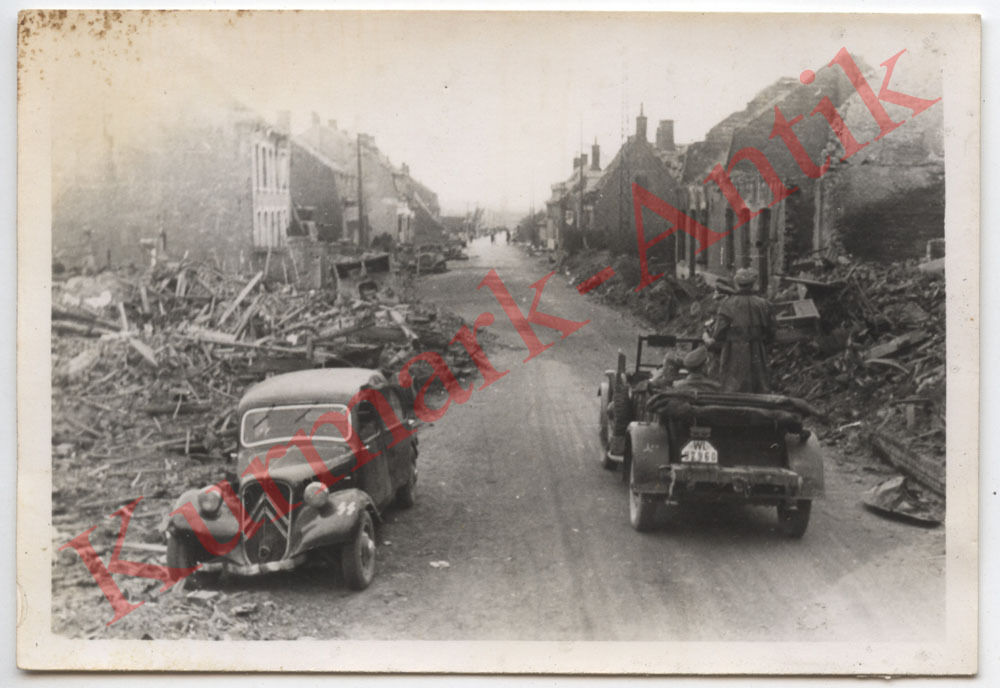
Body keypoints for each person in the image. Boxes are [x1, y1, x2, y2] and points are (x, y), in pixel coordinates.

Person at [703, 267, 776, 393]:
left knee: (734, 383)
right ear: (752, 284)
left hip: (734, 350)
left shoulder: (727, 304)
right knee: (759, 382)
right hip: (757, 349)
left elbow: (719, 332)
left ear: (738, 284)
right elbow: (771, 330)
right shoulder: (764, 304)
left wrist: (710, 338)